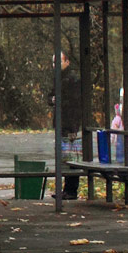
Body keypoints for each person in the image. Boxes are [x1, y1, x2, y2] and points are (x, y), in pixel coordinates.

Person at [48, 53, 83, 198]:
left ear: (67, 62)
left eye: (58, 62)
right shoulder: (59, 79)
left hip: (69, 125)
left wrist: (74, 128)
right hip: (61, 123)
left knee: (71, 157)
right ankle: (66, 189)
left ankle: (71, 190)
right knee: (65, 157)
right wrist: (53, 99)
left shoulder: (72, 80)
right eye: (53, 63)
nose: (55, 66)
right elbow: (49, 97)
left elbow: (76, 106)